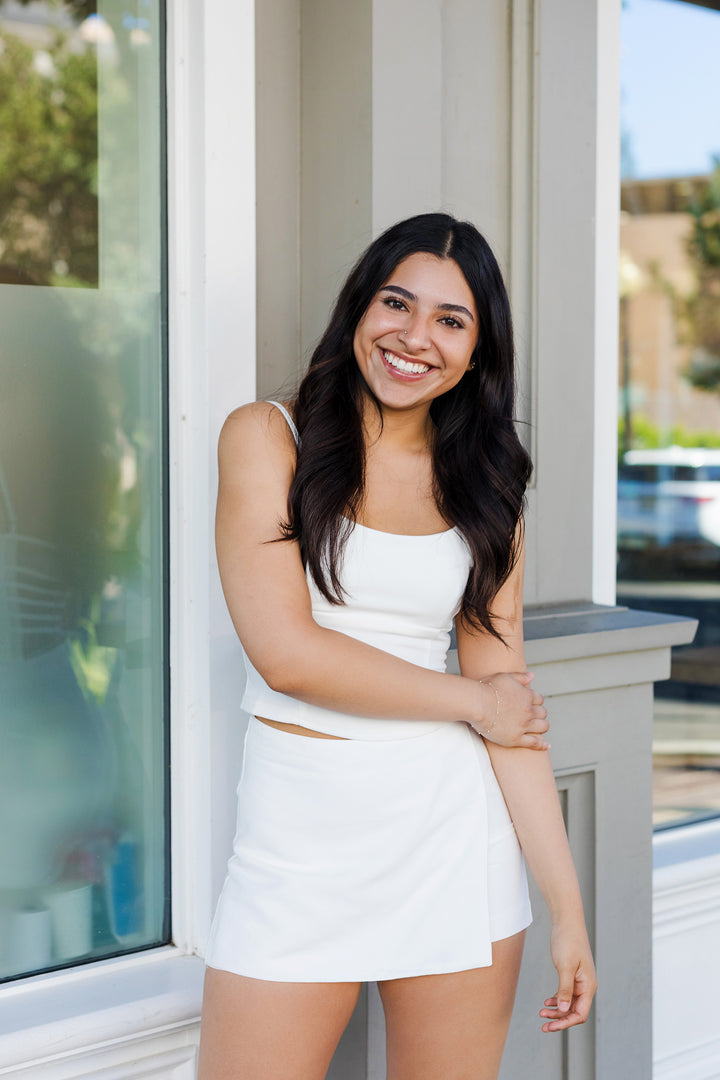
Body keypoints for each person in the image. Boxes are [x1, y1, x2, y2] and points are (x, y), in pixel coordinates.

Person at [198, 213, 597, 1080]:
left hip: (454, 842)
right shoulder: (269, 438)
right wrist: (472, 701)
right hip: (297, 846)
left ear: (477, 351)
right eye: (397, 304)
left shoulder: (489, 486)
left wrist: (567, 909)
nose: (415, 338)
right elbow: (288, 655)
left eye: (451, 321)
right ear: (358, 309)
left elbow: (511, 712)